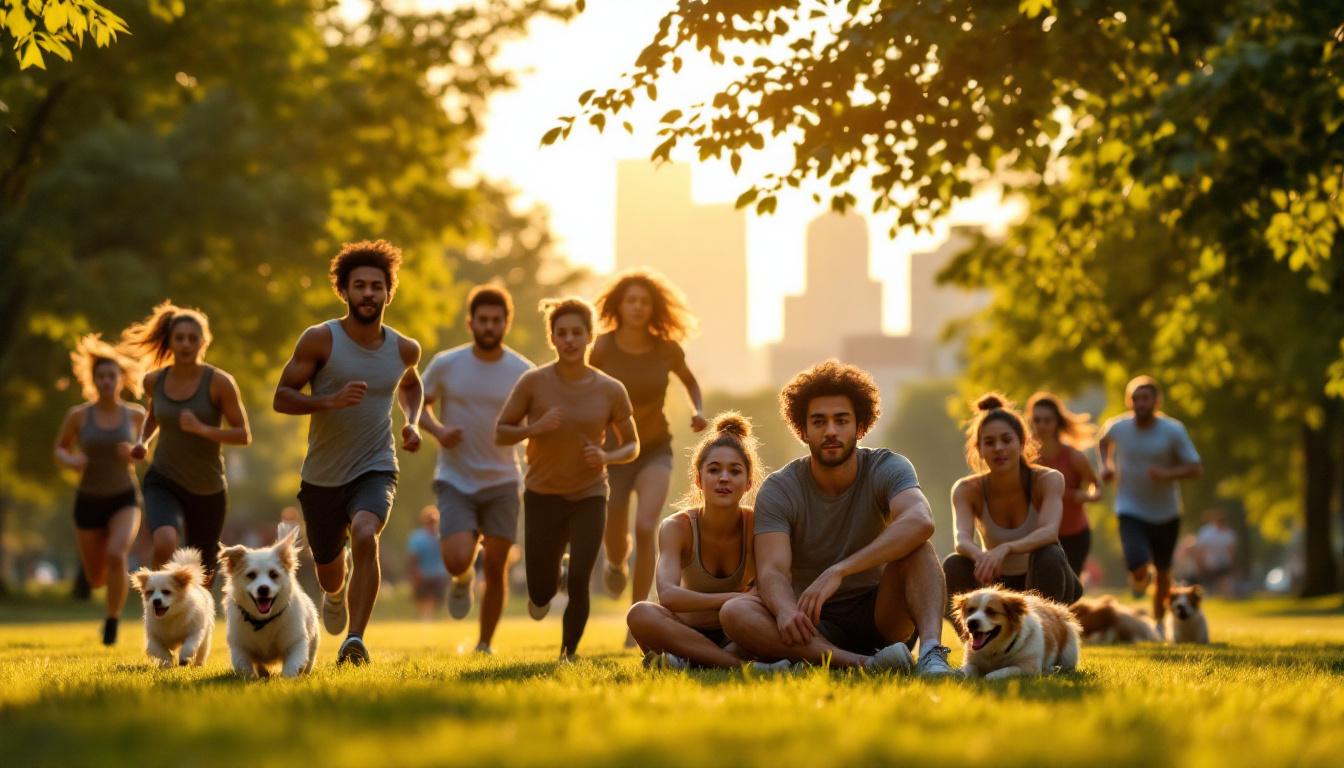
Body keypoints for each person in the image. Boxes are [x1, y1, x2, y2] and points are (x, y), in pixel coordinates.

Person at [718, 361, 957, 676]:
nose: (830, 431)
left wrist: (840, 570)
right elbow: (772, 571)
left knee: (920, 549)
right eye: (819, 422)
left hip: (881, 616)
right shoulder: (780, 488)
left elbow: (920, 520)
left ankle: (930, 656)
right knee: (735, 611)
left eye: (841, 421)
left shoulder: (887, 467)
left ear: (860, 427)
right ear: (803, 430)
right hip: (812, 623)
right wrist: (787, 612)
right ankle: (863, 665)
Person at [273, 239, 424, 665]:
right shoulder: (320, 340)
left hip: (375, 465)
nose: (368, 294)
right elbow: (281, 397)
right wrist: (327, 401)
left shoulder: (403, 348)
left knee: (364, 533)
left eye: (377, 286)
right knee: (329, 572)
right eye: (359, 285)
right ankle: (335, 594)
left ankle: (354, 639)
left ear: (388, 293)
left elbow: (409, 383)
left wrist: (411, 421)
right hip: (322, 475)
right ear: (345, 291)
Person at [495, 297, 637, 661]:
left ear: (590, 336)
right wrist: (535, 427)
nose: (570, 340)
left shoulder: (610, 389)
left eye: (577, 332)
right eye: (562, 333)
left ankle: (567, 653)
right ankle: (549, 579)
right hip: (543, 494)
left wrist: (607, 456)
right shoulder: (533, 382)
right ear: (553, 338)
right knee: (540, 593)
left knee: (580, 578)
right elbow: (501, 432)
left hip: (590, 493)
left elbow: (632, 445)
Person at [591, 270, 707, 634]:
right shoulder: (603, 346)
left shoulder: (666, 348)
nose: (638, 307)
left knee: (645, 527)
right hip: (613, 451)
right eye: (631, 301)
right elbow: (583, 386)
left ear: (653, 308)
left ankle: (635, 621)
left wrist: (697, 411)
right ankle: (614, 564)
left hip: (655, 448)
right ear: (619, 306)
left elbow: (690, 382)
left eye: (644, 302)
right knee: (614, 525)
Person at [419, 285, 533, 653]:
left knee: (498, 564)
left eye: (496, 320)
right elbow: (417, 405)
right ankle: (462, 577)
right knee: (456, 558)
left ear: (506, 323)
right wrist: (437, 430)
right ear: (471, 323)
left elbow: (535, 424)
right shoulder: (446, 364)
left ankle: (484, 643)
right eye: (482, 320)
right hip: (456, 478)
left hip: (502, 479)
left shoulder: (522, 371)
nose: (489, 326)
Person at [120, 301, 252, 583]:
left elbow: (243, 434)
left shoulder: (219, 383)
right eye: (179, 338)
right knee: (165, 540)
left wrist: (203, 429)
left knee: (203, 573)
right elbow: (154, 416)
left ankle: (197, 622)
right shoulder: (155, 381)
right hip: (164, 479)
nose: (186, 344)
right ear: (169, 341)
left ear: (204, 342)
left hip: (208, 487)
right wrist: (142, 440)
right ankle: (156, 599)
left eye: (193, 338)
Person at [627, 413, 760, 669]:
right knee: (640, 613)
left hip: (738, 634)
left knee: (765, 624)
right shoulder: (677, 527)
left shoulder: (757, 525)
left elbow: (766, 591)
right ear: (699, 480)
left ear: (748, 483)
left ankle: (693, 663)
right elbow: (667, 595)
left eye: (735, 471)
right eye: (714, 470)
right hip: (684, 632)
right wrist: (733, 598)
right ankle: (735, 666)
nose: (724, 478)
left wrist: (741, 605)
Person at [943, 394, 1083, 608]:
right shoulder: (966, 489)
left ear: (1022, 443)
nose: (998, 448)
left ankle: (1046, 634)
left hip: (1044, 578)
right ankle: (975, 640)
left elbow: (1049, 532)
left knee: (1050, 553)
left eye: (1006, 440)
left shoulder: (1048, 479)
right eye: (989, 442)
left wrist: (1005, 548)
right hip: (995, 582)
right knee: (953, 564)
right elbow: (961, 539)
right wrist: (981, 557)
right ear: (979, 449)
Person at [53, 334, 147, 645]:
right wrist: (72, 459)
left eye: (111, 376)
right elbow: (60, 448)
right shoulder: (79, 415)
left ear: (121, 379)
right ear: (93, 380)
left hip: (124, 498)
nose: (106, 381)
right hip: (88, 500)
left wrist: (135, 451)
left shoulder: (136, 415)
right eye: (101, 376)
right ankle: (106, 599)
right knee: (95, 577)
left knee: (117, 554)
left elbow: (148, 452)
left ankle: (112, 621)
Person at [1099, 375, 1202, 635]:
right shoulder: (1118, 427)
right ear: (1129, 401)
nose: (1140, 403)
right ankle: (1139, 576)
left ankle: (1158, 623)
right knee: (1137, 562)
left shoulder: (1173, 430)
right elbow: (1103, 441)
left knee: (1165, 574)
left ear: (1156, 401)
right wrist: (1106, 465)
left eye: (1145, 398)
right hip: (1129, 507)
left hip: (1166, 512)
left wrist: (1167, 474)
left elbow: (1195, 467)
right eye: (1135, 398)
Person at [1026, 392, 1102, 577]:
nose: (1042, 425)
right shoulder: (1025, 459)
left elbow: (1097, 488)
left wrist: (1084, 496)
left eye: (1048, 420)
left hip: (1074, 534)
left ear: (1057, 422)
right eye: (1037, 420)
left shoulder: (1074, 456)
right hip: (1038, 535)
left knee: (1069, 592)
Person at [407, 506, 450, 620]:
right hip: (422, 576)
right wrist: (414, 575)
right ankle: (425, 620)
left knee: (437, 602)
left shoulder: (443, 537)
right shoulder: (417, 538)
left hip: (439, 576)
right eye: (429, 521)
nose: (432, 524)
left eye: (434, 521)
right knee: (423, 601)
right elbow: (413, 559)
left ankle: (430, 620)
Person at [1193, 509, 1238, 595]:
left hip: (1224, 560)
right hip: (1211, 561)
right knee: (1215, 578)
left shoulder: (1229, 533)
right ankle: (1217, 594)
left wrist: (1232, 562)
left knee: (1224, 578)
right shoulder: (1206, 532)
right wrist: (1200, 562)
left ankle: (1224, 594)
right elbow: (1201, 549)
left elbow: (1231, 549)